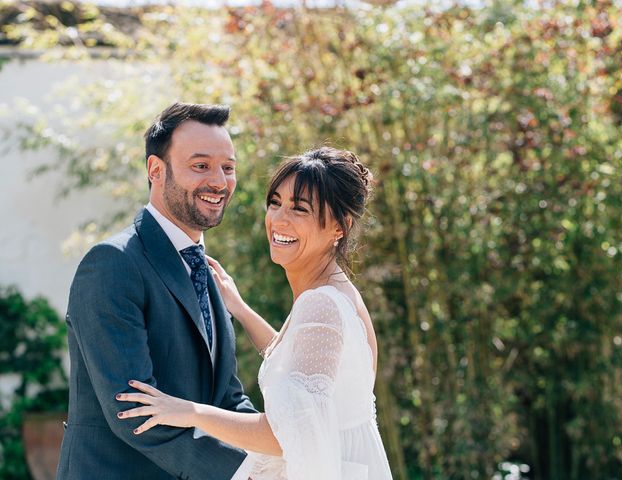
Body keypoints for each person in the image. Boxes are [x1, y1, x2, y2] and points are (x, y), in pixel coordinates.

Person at [116, 147, 394, 480]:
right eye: (275, 203)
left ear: (340, 226)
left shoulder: (321, 306)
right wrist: (240, 308)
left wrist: (189, 412)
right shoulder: (339, 295)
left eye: (300, 209)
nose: (279, 219)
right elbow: (296, 361)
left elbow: (284, 434)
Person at [57, 102, 259, 480]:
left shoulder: (204, 270)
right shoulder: (112, 264)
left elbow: (227, 398)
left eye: (228, 168)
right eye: (200, 165)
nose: (219, 181)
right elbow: (135, 413)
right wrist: (247, 472)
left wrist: (277, 453)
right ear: (156, 170)